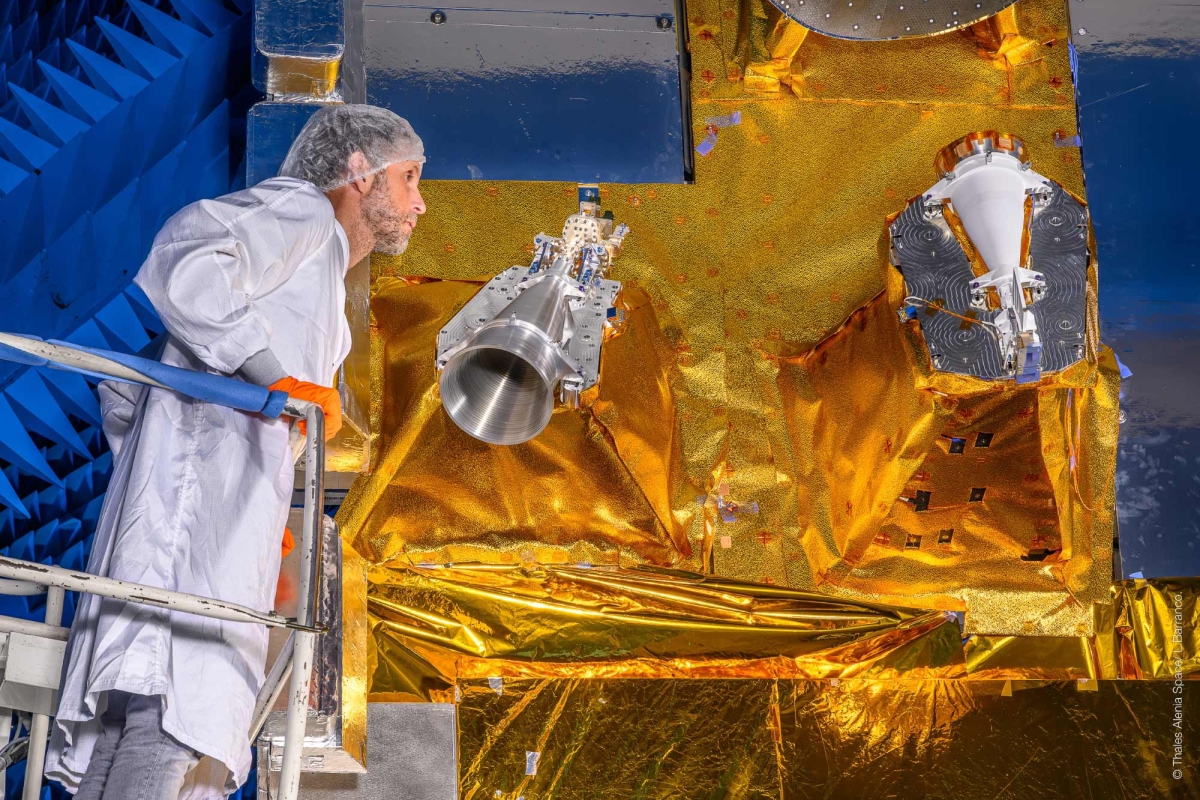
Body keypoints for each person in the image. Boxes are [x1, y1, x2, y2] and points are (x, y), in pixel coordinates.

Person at [44, 104, 427, 799]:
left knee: (147, 717)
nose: (420, 202)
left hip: (206, 527)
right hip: (195, 539)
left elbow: (141, 406)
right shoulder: (304, 213)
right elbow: (188, 253)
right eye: (408, 179)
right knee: (174, 717)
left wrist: (263, 497)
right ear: (359, 172)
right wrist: (270, 378)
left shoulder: (320, 283)